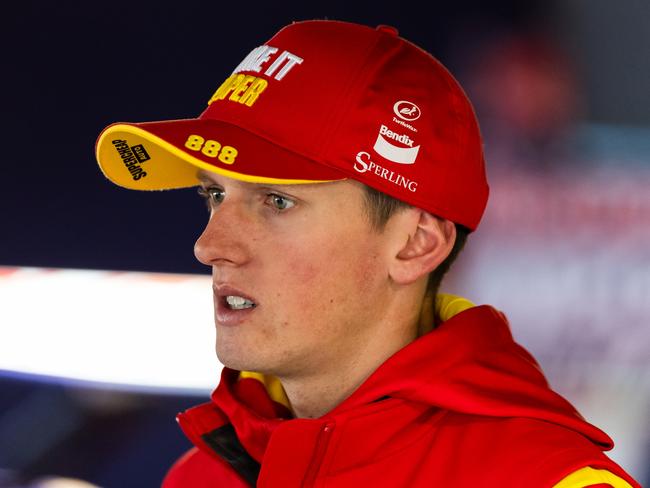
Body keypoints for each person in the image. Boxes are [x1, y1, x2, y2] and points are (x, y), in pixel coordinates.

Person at [95, 20, 640, 488]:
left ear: (416, 243)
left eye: (277, 201)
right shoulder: (201, 475)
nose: (209, 245)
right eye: (214, 194)